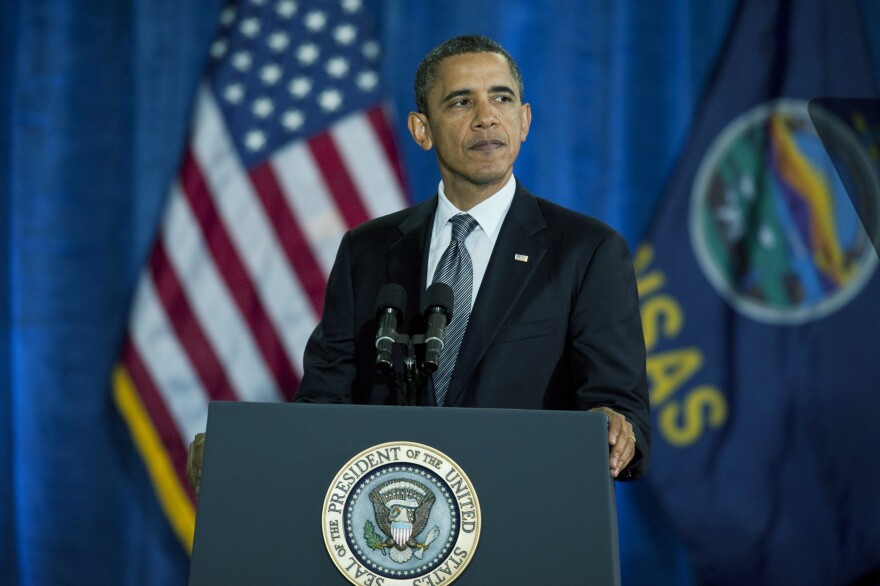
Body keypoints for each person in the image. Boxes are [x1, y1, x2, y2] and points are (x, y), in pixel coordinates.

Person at [187, 34, 650, 490]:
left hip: (524, 507)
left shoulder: (586, 251)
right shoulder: (367, 250)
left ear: (524, 120)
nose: (486, 118)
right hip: (393, 515)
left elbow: (619, 408)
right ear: (421, 130)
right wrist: (244, 449)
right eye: (461, 102)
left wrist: (612, 426)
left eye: (502, 98)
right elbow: (323, 402)